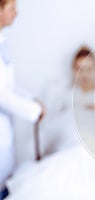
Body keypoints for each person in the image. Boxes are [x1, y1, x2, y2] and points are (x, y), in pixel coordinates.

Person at [0, 0, 45, 199]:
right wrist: (34, 111)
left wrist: (31, 100)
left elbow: (8, 85)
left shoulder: (2, 40)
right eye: (11, 8)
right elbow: (2, 95)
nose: (16, 13)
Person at [40, 46, 95, 156]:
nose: (84, 74)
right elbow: (54, 126)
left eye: (89, 69)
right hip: (72, 142)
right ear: (73, 70)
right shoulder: (66, 96)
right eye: (80, 69)